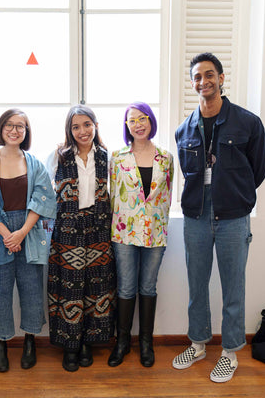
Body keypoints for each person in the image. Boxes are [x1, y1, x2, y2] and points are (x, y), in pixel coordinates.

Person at [172, 52, 265, 383]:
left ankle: (229, 352)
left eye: (209, 74)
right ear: (192, 83)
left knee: (233, 287)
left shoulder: (248, 122)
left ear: (221, 78)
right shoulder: (184, 129)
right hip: (196, 215)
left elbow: (260, 168)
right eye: (197, 76)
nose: (204, 81)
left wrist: (236, 193)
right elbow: (188, 173)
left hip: (233, 216)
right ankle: (198, 344)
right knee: (196, 285)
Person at [0, 109, 56, 373]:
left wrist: (21, 232)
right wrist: (6, 234)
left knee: (32, 290)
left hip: (29, 232)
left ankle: (30, 341)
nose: (14, 130)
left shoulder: (34, 163)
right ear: (1, 128)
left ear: (26, 132)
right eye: (9, 125)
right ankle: (1, 342)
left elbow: (43, 199)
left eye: (20, 126)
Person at [46, 105, 116, 372]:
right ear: (69, 130)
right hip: (67, 228)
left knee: (97, 287)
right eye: (76, 127)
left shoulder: (107, 157)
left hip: (98, 227)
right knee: (69, 288)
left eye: (87, 125)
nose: (82, 131)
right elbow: (44, 191)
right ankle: (70, 345)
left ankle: (88, 341)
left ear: (95, 125)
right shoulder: (58, 157)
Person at [108, 102, 174, 368]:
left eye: (143, 118)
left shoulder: (166, 158)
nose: (138, 124)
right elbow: (111, 195)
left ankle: (146, 342)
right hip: (124, 232)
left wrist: (158, 223)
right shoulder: (117, 157)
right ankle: (122, 342)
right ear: (127, 126)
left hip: (155, 233)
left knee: (148, 287)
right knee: (125, 288)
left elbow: (168, 196)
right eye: (132, 120)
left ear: (151, 121)